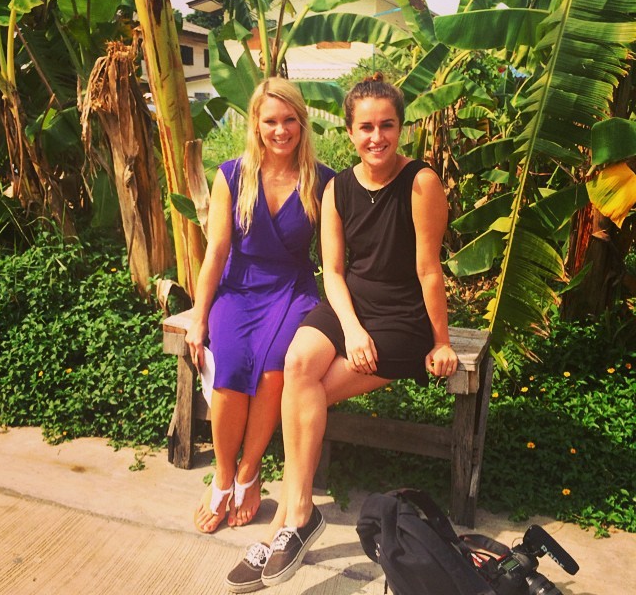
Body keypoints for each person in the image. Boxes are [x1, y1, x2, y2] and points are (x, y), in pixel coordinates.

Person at [224, 73, 458, 592]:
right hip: (351, 305)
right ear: (349, 132)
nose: (377, 137)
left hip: (402, 317)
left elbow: (428, 270)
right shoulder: (336, 189)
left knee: (304, 394)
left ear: (401, 128)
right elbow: (332, 271)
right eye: (366, 127)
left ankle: (286, 520)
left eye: (387, 126)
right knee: (297, 363)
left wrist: (441, 341)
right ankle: (297, 515)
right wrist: (351, 329)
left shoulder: (420, 182)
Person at [185, 77, 335, 538]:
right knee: (230, 364)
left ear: (302, 122)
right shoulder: (232, 175)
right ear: (256, 123)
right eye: (271, 121)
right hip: (238, 286)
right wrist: (198, 316)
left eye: (290, 120)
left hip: (291, 289)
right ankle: (223, 476)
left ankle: (249, 473)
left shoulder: (322, 180)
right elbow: (216, 252)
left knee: (274, 370)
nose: (281, 130)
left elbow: (336, 256)